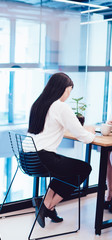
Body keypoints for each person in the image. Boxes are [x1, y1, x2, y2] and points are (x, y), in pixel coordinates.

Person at [27, 72, 95, 228]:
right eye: (69, 90)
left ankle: (47, 206)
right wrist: (90, 133)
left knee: (66, 170)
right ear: (64, 89)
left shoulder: (38, 104)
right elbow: (82, 136)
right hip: (44, 158)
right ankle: (47, 206)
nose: (69, 95)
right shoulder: (60, 106)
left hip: (29, 158)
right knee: (84, 168)